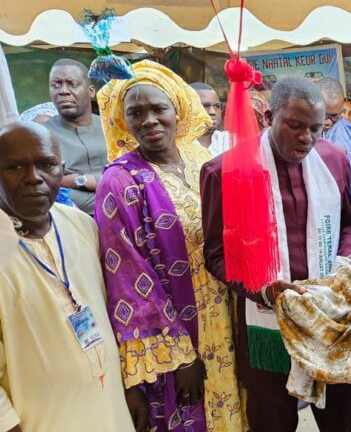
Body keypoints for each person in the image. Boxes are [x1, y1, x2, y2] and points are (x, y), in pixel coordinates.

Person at [200, 77, 351, 432]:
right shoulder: (224, 172)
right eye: (295, 125)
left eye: (317, 128)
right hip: (266, 327)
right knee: (272, 421)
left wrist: (346, 266)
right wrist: (265, 290)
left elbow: (349, 224)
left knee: (340, 418)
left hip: (329, 320)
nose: (307, 138)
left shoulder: (334, 161)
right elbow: (214, 253)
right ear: (269, 116)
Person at [95, 61, 243, 432]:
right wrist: (180, 358)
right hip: (176, 337)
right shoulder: (120, 182)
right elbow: (127, 279)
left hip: (227, 320)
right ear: (122, 121)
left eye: (158, 108)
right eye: (136, 113)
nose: (149, 120)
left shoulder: (200, 161)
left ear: (177, 109)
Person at [0, 122, 134, 432]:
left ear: (61, 169)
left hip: (110, 409)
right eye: (15, 167)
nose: (34, 178)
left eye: (46, 165)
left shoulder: (81, 225)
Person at [44, 59, 108, 215]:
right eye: (56, 85)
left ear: (91, 91)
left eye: (72, 84)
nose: (63, 91)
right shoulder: (41, 136)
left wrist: (75, 180)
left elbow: (131, 176)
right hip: (71, 226)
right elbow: (47, 187)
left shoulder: (113, 128)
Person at [315, 77, 351, 218]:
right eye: (323, 114)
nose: (327, 122)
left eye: (334, 116)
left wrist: (343, 197)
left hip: (349, 214)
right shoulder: (301, 134)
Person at [190, 82, 231, 156]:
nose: (213, 112)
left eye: (217, 106)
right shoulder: (177, 144)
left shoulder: (229, 141)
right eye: (205, 106)